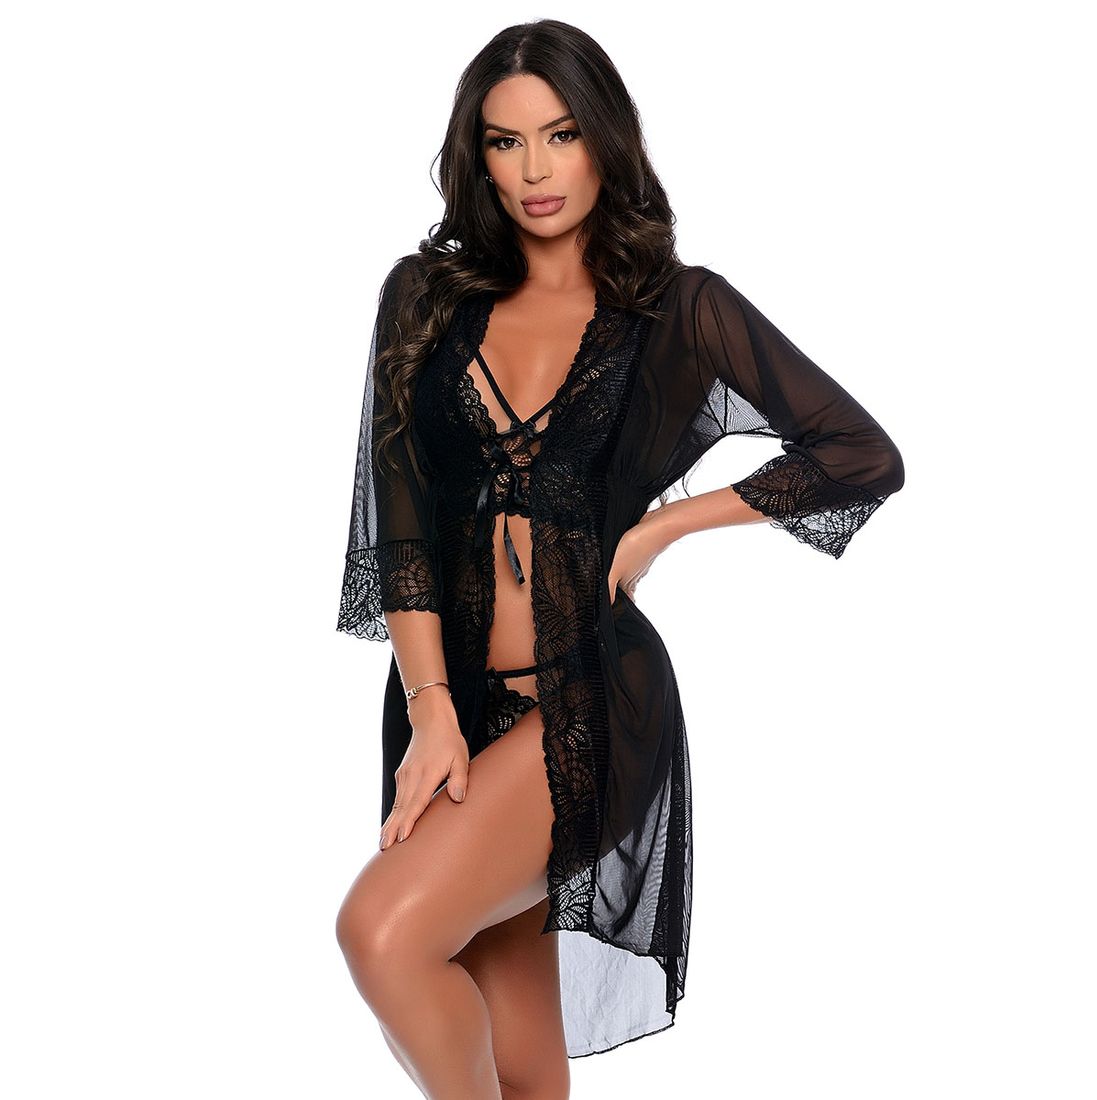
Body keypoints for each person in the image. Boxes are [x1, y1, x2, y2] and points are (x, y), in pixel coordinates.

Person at [334, 18, 905, 1100]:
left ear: (604, 140)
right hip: (448, 704)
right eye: (505, 142)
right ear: (477, 157)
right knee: (515, 1043)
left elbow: (858, 452)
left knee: (383, 933)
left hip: (592, 701)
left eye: (560, 135)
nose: (535, 170)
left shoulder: (679, 311)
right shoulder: (424, 297)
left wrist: (662, 526)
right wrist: (431, 707)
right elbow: (397, 520)